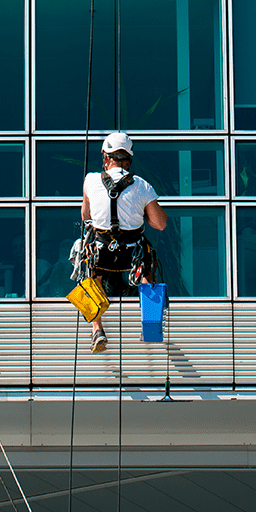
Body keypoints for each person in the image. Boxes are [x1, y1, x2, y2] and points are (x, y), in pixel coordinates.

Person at [79, 132, 168, 353]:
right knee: (147, 273)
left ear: (105, 157)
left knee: (90, 275)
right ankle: (151, 323)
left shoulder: (90, 181)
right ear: (128, 159)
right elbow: (160, 224)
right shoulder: (142, 186)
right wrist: (142, 213)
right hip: (132, 254)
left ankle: (97, 330)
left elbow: (85, 215)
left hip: (102, 253)